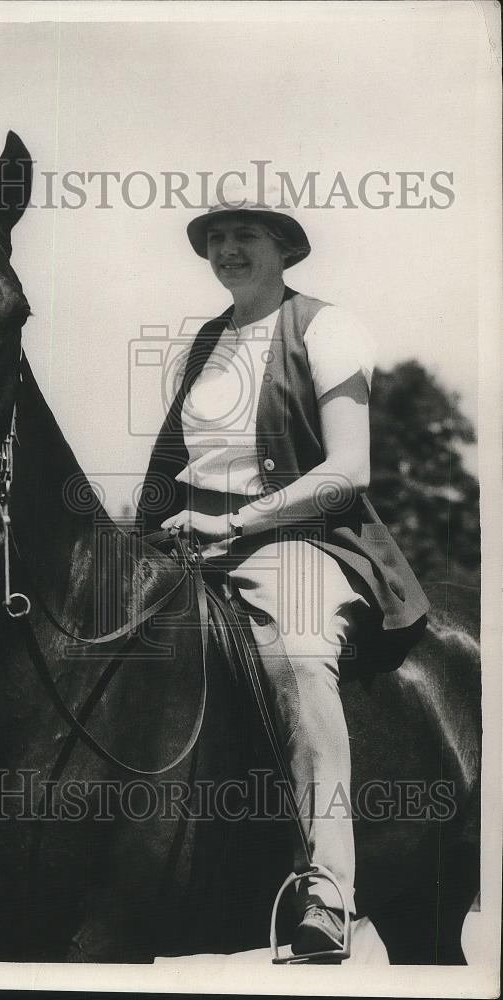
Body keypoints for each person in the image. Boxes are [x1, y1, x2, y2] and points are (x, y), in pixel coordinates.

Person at [135, 190, 430, 955]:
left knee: (299, 654)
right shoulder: (205, 341)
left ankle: (326, 889)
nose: (228, 249)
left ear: (285, 250)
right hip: (192, 540)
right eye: (217, 238)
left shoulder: (329, 327)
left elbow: (349, 471)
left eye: (246, 237)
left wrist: (235, 523)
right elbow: (179, 465)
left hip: (300, 540)